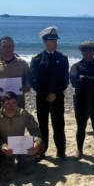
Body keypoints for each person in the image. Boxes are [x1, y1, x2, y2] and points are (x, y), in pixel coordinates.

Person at [28, 26, 70, 160]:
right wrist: (46, 93)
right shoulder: (37, 59)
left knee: (59, 124)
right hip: (42, 98)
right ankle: (42, 151)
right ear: (45, 42)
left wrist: (55, 93)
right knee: (43, 125)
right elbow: (33, 80)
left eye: (56, 40)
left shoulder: (63, 58)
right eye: (52, 40)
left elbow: (65, 79)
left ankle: (61, 151)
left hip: (57, 97)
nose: (55, 42)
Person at [0, 92, 44, 180]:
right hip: (6, 148)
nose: (11, 107)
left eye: (14, 103)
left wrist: (36, 144)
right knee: (5, 177)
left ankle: (23, 163)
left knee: (40, 145)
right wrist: (2, 146)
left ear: (17, 103)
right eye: (7, 104)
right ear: (2, 104)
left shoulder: (23, 114)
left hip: (20, 145)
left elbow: (35, 132)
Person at [70, 40, 94, 158]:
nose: (88, 52)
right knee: (81, 127)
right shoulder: (75, 66)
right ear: (81, 51)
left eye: (90, 49)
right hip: (80, 102)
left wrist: (84, 78)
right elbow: (75, 83)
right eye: (85, 49)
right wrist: (92, 79)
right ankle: (79, 151)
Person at [0, 36, 30, 111]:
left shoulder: (22, 63)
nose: (8, 48)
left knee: (19, 122)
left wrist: (27, 87)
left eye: (10, 46)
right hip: (0, 103)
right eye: (4, 46)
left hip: (18, 103)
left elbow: (29, 78)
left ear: (13, 47)